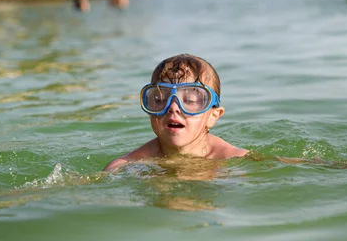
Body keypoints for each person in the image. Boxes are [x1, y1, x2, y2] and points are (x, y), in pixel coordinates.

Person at [104, 54, 248, 171]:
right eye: (160, 99)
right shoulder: (128, 165)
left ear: (213, 116)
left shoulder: (235, 160)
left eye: (190, 101)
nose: (173, 107)